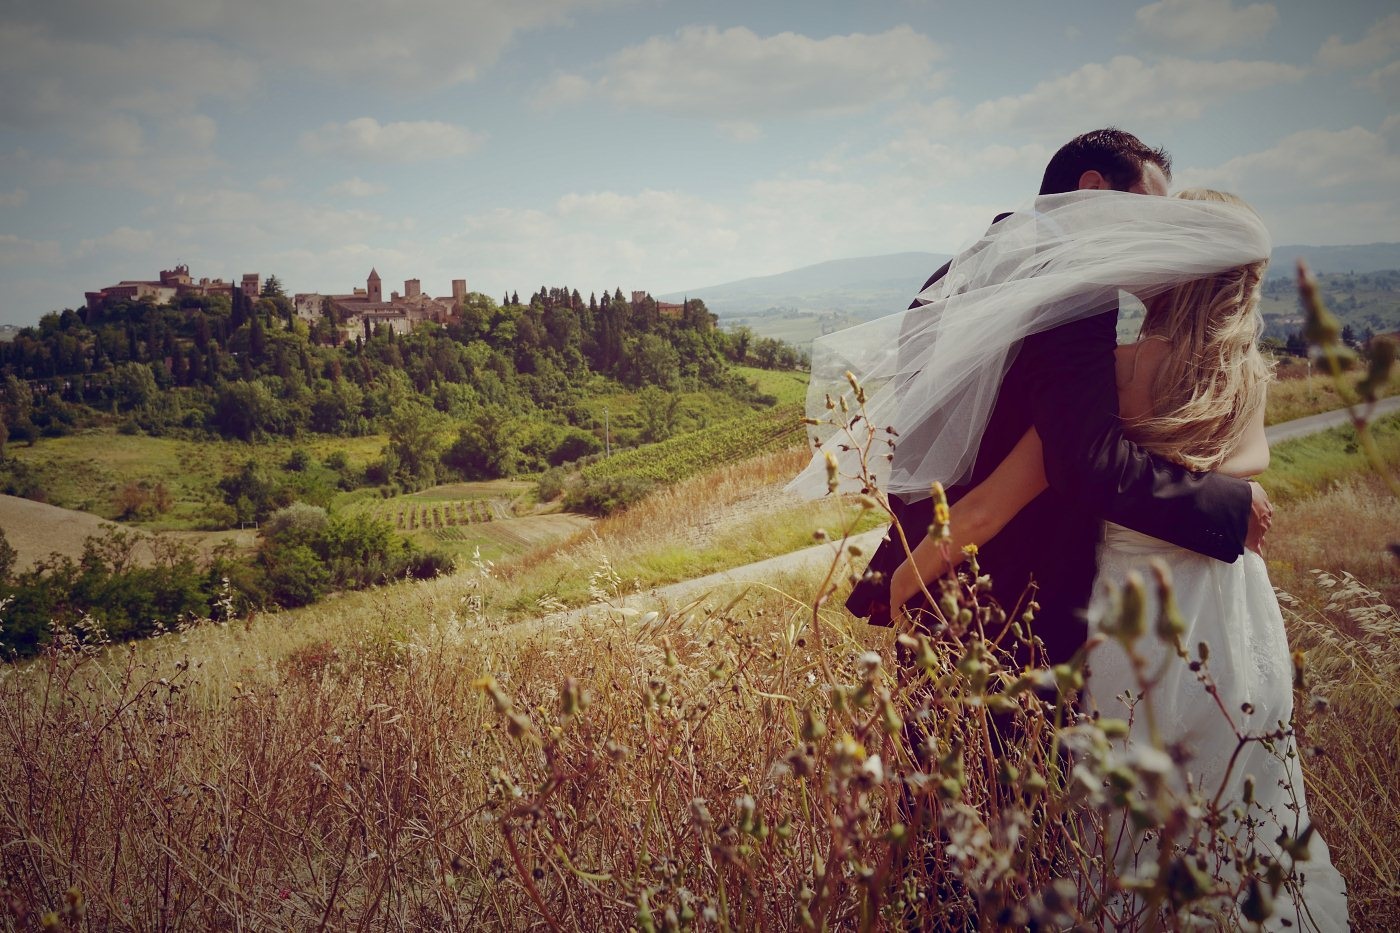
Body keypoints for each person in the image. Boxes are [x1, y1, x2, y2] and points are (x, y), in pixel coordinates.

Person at [883, 189, 1348, 931]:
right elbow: (1246, 470)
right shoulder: (1246, 375)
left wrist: (896, 585)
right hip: (1233, 608)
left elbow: (1013, 493)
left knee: (1128, 815)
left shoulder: (1121, 370)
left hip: (1136, 616)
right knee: (1244, 794)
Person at [797, 129, 1272, 674]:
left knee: (940, 754)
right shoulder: (1076, 293)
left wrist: (905, 579)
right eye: (1146, 213)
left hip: (941, 577)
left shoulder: (959, 271)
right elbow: (1086, 464)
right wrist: (1229, 505)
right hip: (1020, 600)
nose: (1153, 236)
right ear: (1092, 189)